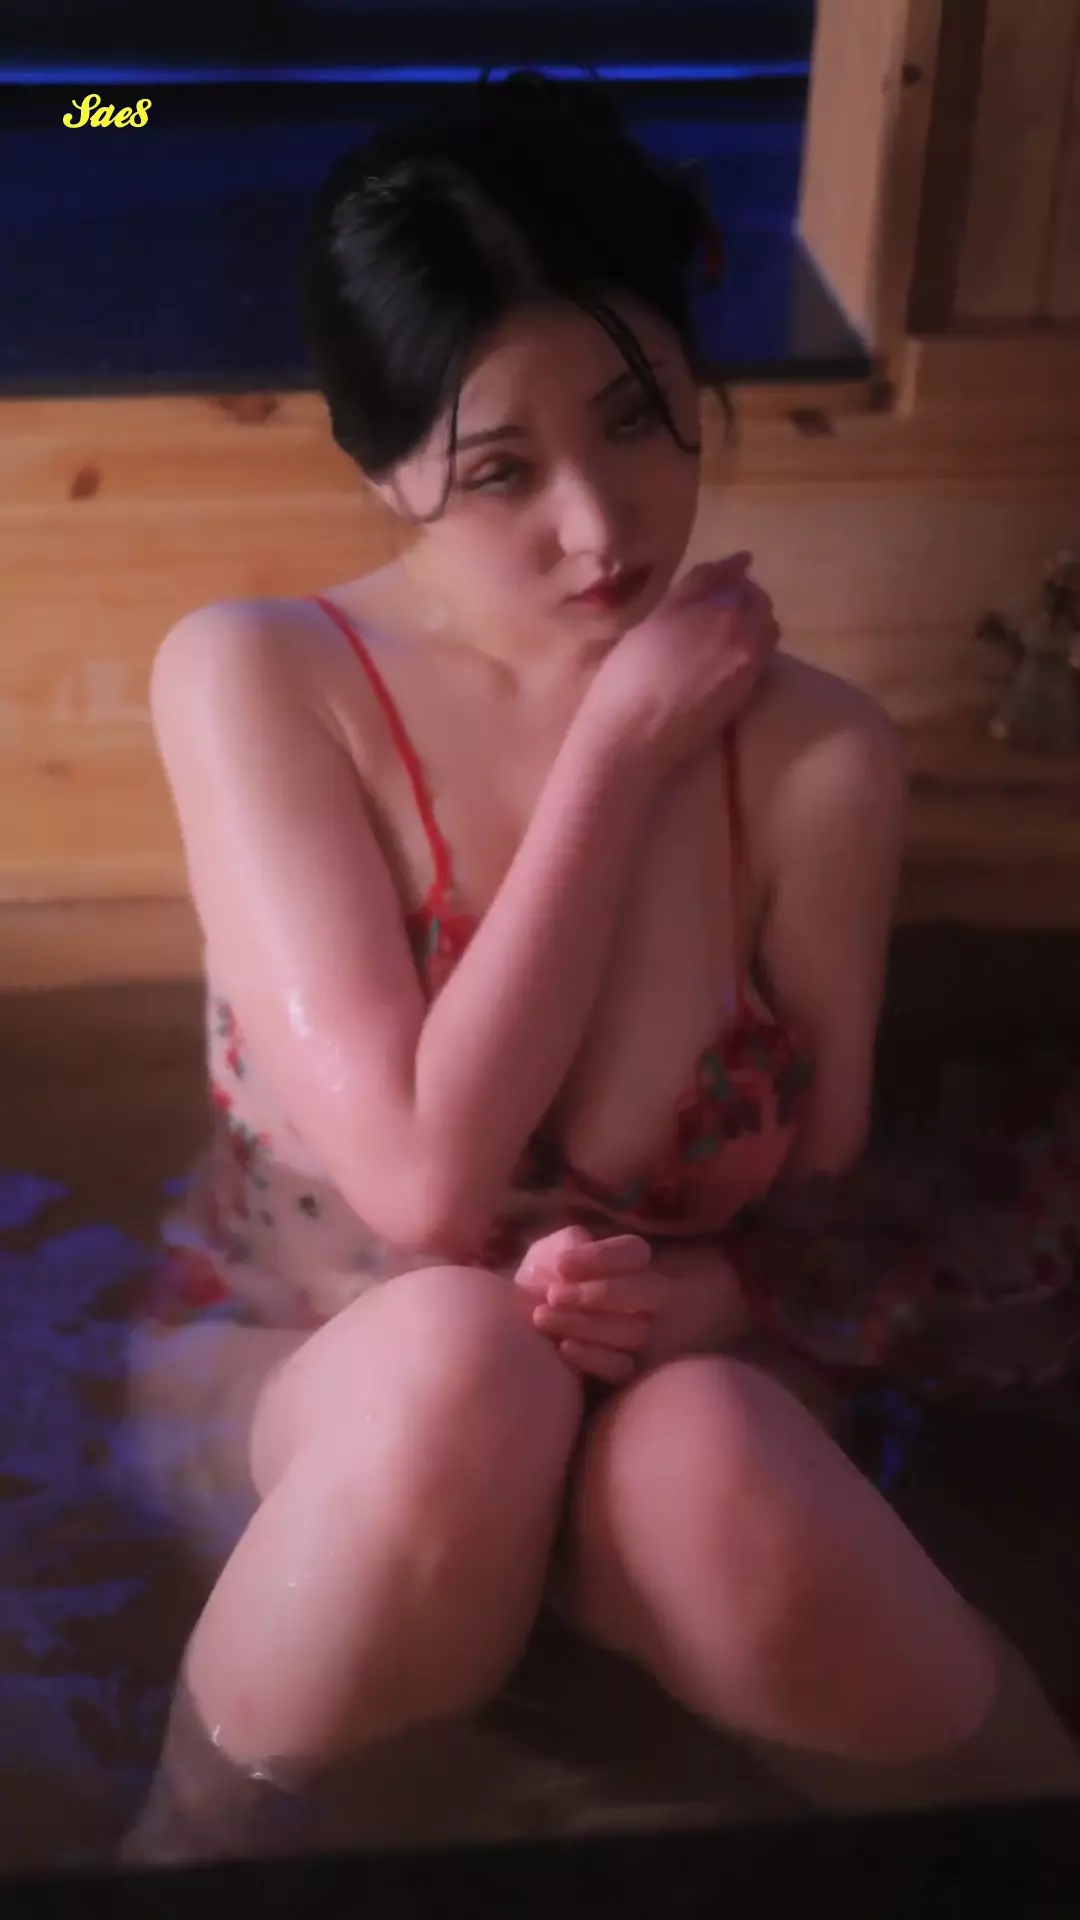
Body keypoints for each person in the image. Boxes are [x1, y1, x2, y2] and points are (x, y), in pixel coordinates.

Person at [124, 72, 1080, 1861]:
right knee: (456, 1360)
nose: (601, 523)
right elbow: (422, 1185)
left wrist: (717, 1301)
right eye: (503, 470)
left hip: (677, 1412)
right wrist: (620, 753)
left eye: (641, 418)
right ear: (381, 468)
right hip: (318, 1389)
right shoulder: (260, 682)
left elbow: (825, 1195)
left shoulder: (818, 761)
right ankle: (178, 1851)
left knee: (712, 1460)